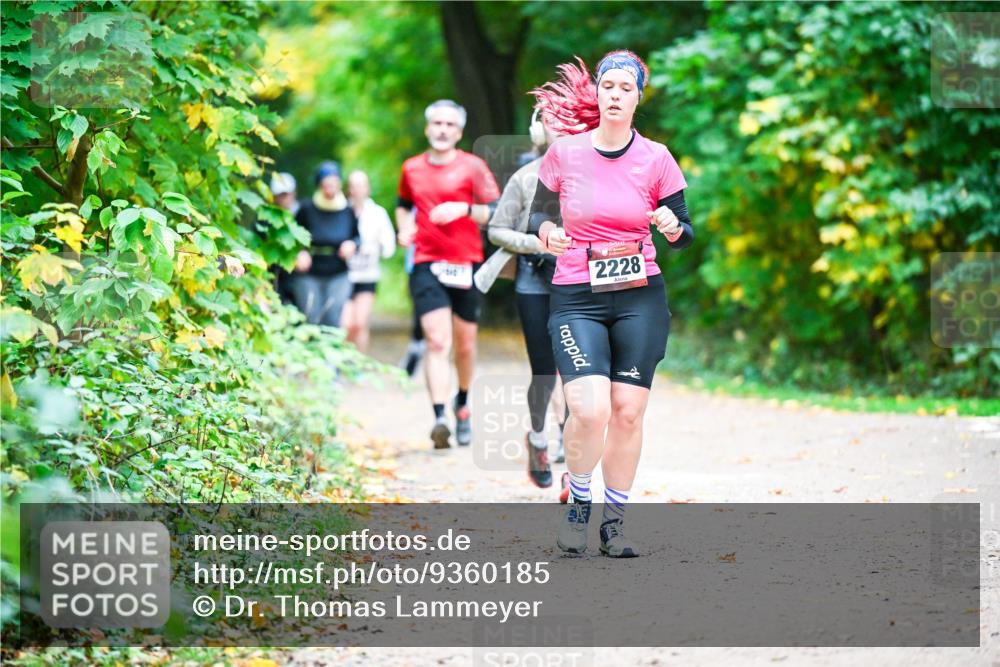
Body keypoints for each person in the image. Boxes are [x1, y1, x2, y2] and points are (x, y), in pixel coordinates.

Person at [529, 51, 694, 557]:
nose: (616, 95)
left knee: (627, 412)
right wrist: (549, 232)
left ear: (638, 97)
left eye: (626, 88)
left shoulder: (657, 157)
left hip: (640, 296)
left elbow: (685, 233)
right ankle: (580, 502)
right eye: (608, 86)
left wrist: (672, 226)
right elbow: (538, 216)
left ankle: (614, 524)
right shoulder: (565, 154)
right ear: (597, 93)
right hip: (577, 296)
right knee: (590, 407)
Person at [396, 99, 500, 449]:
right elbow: (403, 206)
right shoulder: (411, 168)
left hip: (467, 263)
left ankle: (463, 403)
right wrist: (404, 229)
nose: (442, 130)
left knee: (465, 345)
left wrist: (464, 209)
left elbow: (498, 210)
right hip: (426, 262)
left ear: (459, 132)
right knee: (438, 341)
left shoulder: (473, 167)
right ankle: (440, 417)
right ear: (428, 128)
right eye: (437, 123)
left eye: (449, 125)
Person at [475, 109, 567, 489]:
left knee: (580, 373)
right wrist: (535, 243)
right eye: (554, 122)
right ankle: (539, 437)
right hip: (534, 280)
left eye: (570, 122)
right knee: (544, 371)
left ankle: (573, 459)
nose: (563, 129)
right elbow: (497, 230)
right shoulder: (526, 177)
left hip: (579, 283)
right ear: (539, 131)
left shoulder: (597, 176)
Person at [292, 161, 359, 328]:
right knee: (311, 316)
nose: (330, 187)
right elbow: (292, 235)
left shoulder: (347, 210)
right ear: (319, 185)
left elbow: (357, 237)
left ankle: (333, 345)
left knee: (333, 318)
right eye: (326, 183)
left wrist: (352, 244)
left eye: (334, 183)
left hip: (338, 272)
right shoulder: (307, 208)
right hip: (310, 272)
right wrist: (299, 252)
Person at [342, 170, 396, 353]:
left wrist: (373, 249)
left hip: (367, 275)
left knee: (360, 323)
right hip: (344, 275)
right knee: (346, 324)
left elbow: (389, 246)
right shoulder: (341, 211)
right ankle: (345, 361)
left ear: (368, 188)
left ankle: (359, 361)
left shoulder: (378, 214)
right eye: (354, 186)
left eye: (361, 185)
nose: (357, 189)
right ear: (349, 189)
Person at [269, 172, 299, 305]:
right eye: (281, 195)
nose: (284, 199)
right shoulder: (265, 217)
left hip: (297, 276)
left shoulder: (303, 214)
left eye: (287, 194)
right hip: (273, 274)